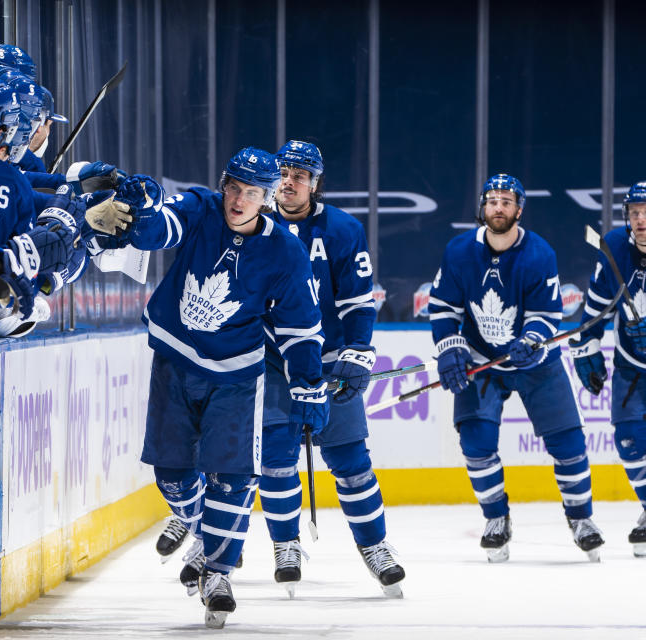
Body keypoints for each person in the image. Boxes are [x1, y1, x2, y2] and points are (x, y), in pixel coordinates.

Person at [114, 147, 330, 628]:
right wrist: (140, 208)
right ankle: (199, 530)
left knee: (233, 476)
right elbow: (157, 231)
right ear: (223, 184)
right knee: (172, 475)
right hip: (175, 359)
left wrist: (309, 383)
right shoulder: (200, 208)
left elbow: (300, 326)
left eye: (252, 193)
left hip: (236, 376)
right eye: (234, 187)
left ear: (268, 198)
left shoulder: (284, 250)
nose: (238, 200)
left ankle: (218, 572)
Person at [429, 173, 604, 562]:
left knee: (569, 443)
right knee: (476, 445)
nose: (498, 207)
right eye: (492, 200)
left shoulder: (539, 254)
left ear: (518, 210)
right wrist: (449, 348)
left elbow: (547, 313)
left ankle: (581, 519)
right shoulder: (459, 251)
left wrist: (531, 341)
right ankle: (496, 519)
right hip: (481, 360)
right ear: (482, 207)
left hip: (534, 363)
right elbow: (442, 309)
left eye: (507, 202)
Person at [255, 140, 404, 597]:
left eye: (300, 175)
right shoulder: (253, 225)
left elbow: (358, 301)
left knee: (351, 462)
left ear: (315, 184)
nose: (288, 182)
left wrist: (358, 351)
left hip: (327, 363)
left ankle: (375, 547)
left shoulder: (342, 229)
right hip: (274, 363)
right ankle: (286, 546)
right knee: (277, 463)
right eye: (283, 173)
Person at [569, 181, 646, 557]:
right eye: (635, 212)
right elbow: (596, 309)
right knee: (630, 442)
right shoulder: (615, 247)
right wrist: (587, 347)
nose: (642, 220)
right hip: (633, 367)